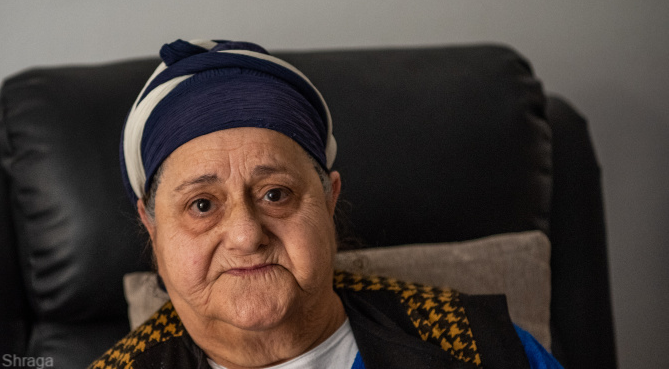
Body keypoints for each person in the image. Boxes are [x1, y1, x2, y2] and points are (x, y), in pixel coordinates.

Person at [89, 39, 562, 369]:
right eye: (202, 205)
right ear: (151, 227)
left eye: (276, 194)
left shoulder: (479, 347)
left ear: (329, 200)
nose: (246, 235)